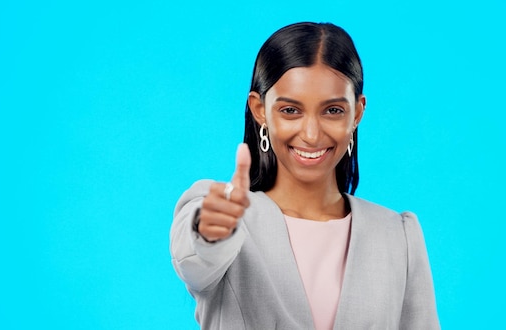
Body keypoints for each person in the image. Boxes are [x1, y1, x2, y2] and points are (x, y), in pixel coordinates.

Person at [170, 22, 440, 329]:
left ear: (358, 112)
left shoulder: (398, 237)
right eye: (290, 110)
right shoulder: (227, 215)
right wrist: (209, 232)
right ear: (260, 110)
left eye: (333, 110)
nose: (311, 135)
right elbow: (193, 259)